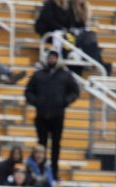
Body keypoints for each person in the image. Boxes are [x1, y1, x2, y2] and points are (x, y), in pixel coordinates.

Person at [24, 49, 78, 180]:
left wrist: (65, 101)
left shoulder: (65, 75)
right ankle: (40, 171)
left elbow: (75, 91)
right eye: (50, 57)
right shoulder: (39, 75)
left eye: (54, 57)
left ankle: (54, 172)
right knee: (41, 145)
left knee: (55, 145)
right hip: (42, 115)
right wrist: (36, 102)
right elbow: (28, 91)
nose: (51, 60)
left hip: (57, 115)